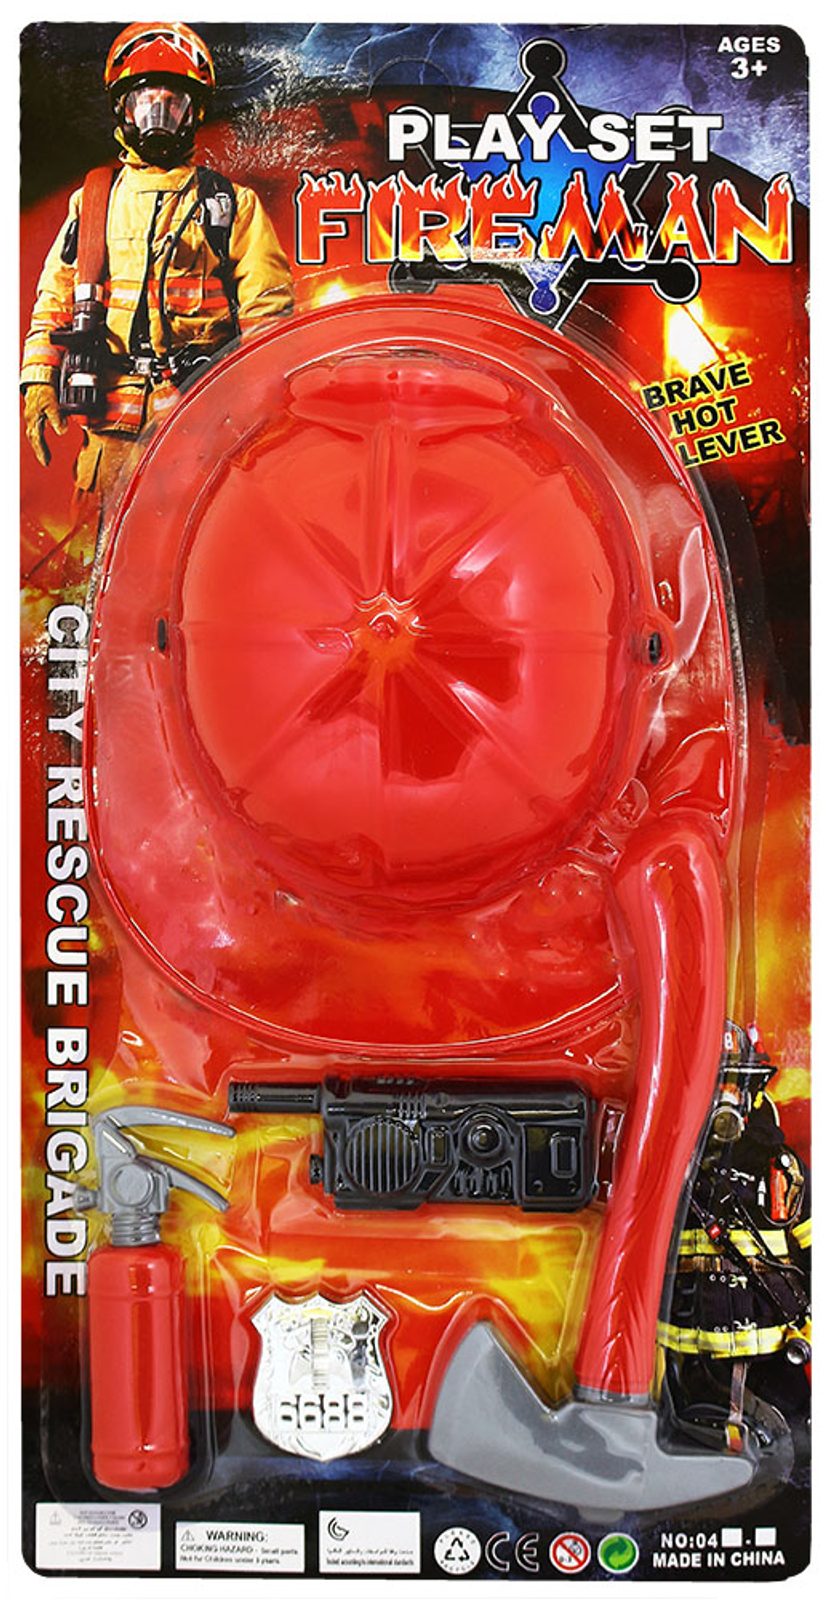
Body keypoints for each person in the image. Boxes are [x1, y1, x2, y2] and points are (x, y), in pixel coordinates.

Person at [21, 21, 293, 586]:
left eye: (173, 104)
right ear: (123, 110)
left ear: (194, 112)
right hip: (110, 424)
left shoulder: (229, 206)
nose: (159, 116)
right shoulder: (95, 203)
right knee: (94, 568)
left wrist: (258, 413)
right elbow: (55, 299)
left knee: (201, 563)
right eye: (147, 102)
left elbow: (269, 319)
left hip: (198, 422)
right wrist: (40, 382)